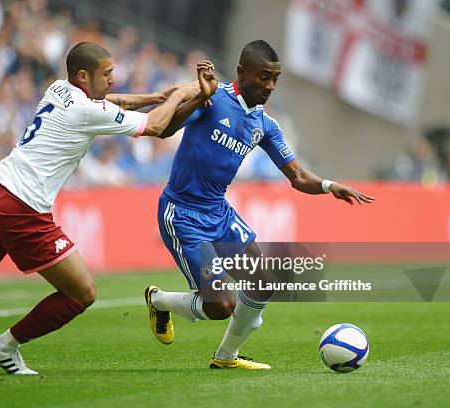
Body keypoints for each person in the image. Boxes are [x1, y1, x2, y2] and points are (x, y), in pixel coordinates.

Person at [0, 42, 217, 375]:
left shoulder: (58, 88)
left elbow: (113, 100)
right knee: (82, 293)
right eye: (107, 72)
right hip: (22, 205)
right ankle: (4, 347)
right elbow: (156, 126)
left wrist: (158, 96)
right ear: (83, 76)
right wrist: (187, 95)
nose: (113, 78)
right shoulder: (85, 110)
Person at [144, 40, 375, 370]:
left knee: (264, 281)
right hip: (182, 214)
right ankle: (160, 300)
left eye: (275, 79)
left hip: (219, 213)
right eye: (263, 77)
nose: (269, 86)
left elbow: (296, 175)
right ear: (242, 72)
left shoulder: (264, 125)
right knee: (221, 305)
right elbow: (163, 130)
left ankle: (226, 357)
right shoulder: (213, 98)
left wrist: (328, 186)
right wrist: (199, 96)